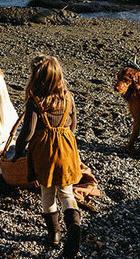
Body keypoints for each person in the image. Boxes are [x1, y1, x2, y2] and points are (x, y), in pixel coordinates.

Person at [7, 55, 83, 258]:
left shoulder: (35, 102)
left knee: (47, 192)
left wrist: (18, 152)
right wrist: (63, 138)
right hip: (66, 148)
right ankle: (74, 225)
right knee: (67, 193)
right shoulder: (68, 97)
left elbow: (28, 132)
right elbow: (73, 125)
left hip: (45, 153)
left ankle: (55, 234)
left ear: (35, 77)